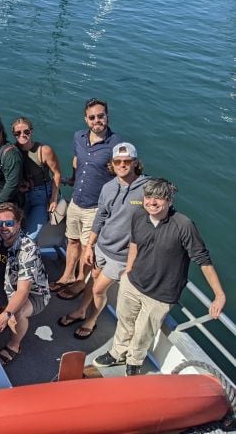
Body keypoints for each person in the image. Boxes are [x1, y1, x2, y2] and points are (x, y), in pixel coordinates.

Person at [93, 178, 226, 376]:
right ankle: (117, 353)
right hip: (133, 283)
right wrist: (128, 271)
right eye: (148, 197)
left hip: (161, 294)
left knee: (143, 332)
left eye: (159, 198)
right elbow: (134, 244)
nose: (152, 202)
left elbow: (203, 261)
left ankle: (134, 362)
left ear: (169, 201)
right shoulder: (139, 215)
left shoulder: (184, 225)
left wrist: (219, 295)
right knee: (124, 321)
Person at [58, 143, 148, 340]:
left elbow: (160, 214)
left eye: (127, 161)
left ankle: (91, 319)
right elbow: (100, 217)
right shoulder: (108, 187)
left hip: (123, 254)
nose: (122, 165)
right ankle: (81, 310)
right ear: (112, 164)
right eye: (118, 161)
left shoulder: (147, 189)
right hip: (102, 247)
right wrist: (89, 246)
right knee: (93, 281)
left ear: (135, 163)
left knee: (99, 289)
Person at [53, 99, 123, 299]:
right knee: (72, 240)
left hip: (96, 207)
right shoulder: (79, 137)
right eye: (92, 117)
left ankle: (79, 281)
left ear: (107, 116)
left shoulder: (116, 143)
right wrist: (73, 179)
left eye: (100, 116)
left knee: (87, 247)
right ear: (86, 119)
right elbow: (77, 160)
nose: (96, 120)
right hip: (76, 201)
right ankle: (66, 276)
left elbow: (123, 173)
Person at [0, 203, 50, 366]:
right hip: (5, 282)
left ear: (18, 223)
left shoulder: (28, 248)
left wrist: (7, 314)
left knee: (18, 313)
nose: (3, 227)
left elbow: (23, 291)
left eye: (9, 223)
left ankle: (14, 346)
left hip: (33, 293)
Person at [11, 117, 62, 240]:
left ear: (31, 131)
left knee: (29, 238)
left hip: (40, 198)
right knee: (17, 233)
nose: (22, 135)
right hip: (20, 198)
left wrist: (53, 199)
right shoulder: (11, 150)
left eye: (26, 132)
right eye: (18, 133)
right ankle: (33, 258)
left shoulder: (44, 150)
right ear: (14, 134)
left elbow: (57, 173)